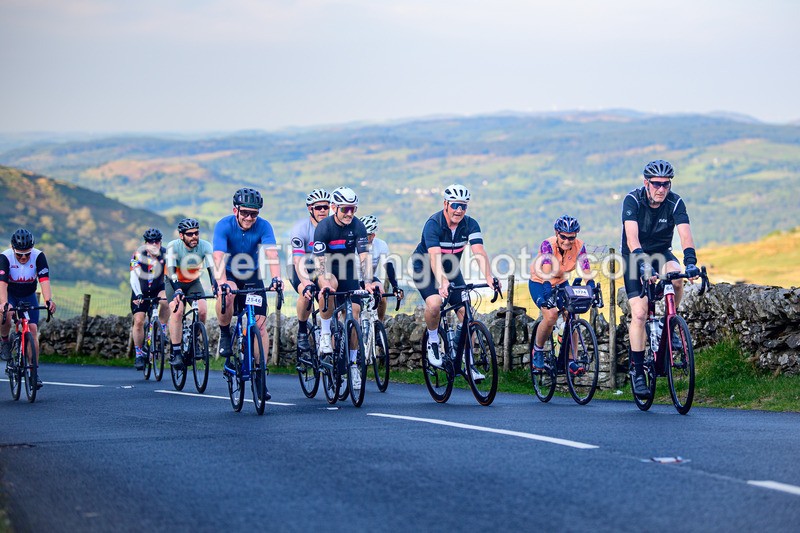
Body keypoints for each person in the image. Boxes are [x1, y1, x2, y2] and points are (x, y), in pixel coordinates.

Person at [622, 159, 700, 399]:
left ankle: (671, 322)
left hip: (661, 252)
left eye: (666, 184)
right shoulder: (633, 200)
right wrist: (642, 263)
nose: (661, 189)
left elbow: (685, 235)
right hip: (635, 256)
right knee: (639, 313)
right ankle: (637, 370)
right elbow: (632, 238)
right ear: (646, 183)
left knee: (677, 278)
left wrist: (690, 261)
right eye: (656, 184)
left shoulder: (675, 202)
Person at [411, 184, 501, 382]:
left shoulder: (470, 225)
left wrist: (489, 277)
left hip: (451, 269)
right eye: (455, 205)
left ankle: (468, 364)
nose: (459, 210)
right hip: (424, 268)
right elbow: (434, 258)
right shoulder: (433, 224)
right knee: (435, 303)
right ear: (446, 204)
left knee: (466, 314)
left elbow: (479, 252)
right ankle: (433, 341)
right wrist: (442, 283)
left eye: (463, 206)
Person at [213, 187, 282, 399]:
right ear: (236, 210)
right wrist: (222, 283)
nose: (249, 218)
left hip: (252, 276)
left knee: (260, 327)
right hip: (229, 273)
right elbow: (217, 257)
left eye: (254, 214)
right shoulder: (224, 225)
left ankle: (260, 375)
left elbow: (271, 253)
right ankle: (225, 334)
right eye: (245, 213)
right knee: (229, 293)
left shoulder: (264, 226)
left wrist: (277, 279)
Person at [313, 186, 379, 391]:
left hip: (348, 270)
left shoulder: (358, 227)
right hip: (328, 269)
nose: (349, 213)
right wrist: (323, 284)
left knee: (356, 314)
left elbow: (364, 257)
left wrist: (367, 281)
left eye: (353, 209)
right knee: (329, 285)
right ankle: (325, 335)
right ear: (334, 208)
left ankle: (352, 364)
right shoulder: (324, 227)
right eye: (345, 209)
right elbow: (320, 263)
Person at [528, 215, 594, 375]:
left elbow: (586, 269)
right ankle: (537, 350)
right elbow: (546, 268)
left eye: (571, 237)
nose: (567, 241)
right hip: (539, 281)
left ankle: (571, 360)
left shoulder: (579, 246)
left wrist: (591, 286)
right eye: (563, 236)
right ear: (557, 233)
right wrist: (546, 289)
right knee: (550, 316)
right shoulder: (547, 245)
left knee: (571, 316)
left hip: (561, 281)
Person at [0, 229, 56, 389]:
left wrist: (48, 300)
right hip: (10, 293)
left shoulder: (39, 256)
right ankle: (4, 341)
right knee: (7, 311)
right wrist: (4, 303)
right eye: (19, 255)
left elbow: (44, 280)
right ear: (12, 249)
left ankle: (34, 373)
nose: (24, 257)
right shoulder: (5, 257)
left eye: (27, 254)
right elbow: (2, 284)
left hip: (28, 294)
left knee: (32, 330)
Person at [164, 218, 218, 369]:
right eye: (190, 234)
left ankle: (194, 343)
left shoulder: (205, 246)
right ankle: (176, 352)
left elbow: (212, 270)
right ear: (181, 236)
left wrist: (215, 285)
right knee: (177, 310)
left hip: (193, 282)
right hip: (173, 281)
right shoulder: (173, 246)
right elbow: (171, 272)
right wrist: (178, 290)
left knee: (202, 310)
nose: (194, 236)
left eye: (196, 233)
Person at [290, 188, 331, 355]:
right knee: (306, 294)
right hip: (301, 268)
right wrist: (306, 282)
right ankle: (301, 330)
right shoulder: (300, 228)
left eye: (326, 207)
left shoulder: (332, 227)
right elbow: (298, 260)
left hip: (323, 269)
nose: (322, 211)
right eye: (318, 207)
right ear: (310, 209)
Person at [129, 228, 169, 371]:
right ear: (145, 243)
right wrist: (139, 294)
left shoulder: (166, 254)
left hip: (158, 288)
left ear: (160, 242)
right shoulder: (138, 255)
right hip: (141, 290)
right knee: (139, 320)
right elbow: (134, 276)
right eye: (150, 242)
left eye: (156, 242)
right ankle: (139, 354)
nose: (154, 244)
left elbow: (171, 274)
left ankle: (162, 329)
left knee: (166, 300)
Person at [360, 214, 403, 322]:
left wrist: (395, 287)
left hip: (370, 278)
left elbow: (388, 266)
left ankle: (379, 325)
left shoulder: (381, 245)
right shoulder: (354, 245)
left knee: (382, 296)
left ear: (373, 235)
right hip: (353, 278)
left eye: (366, 235)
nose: (363, 238)